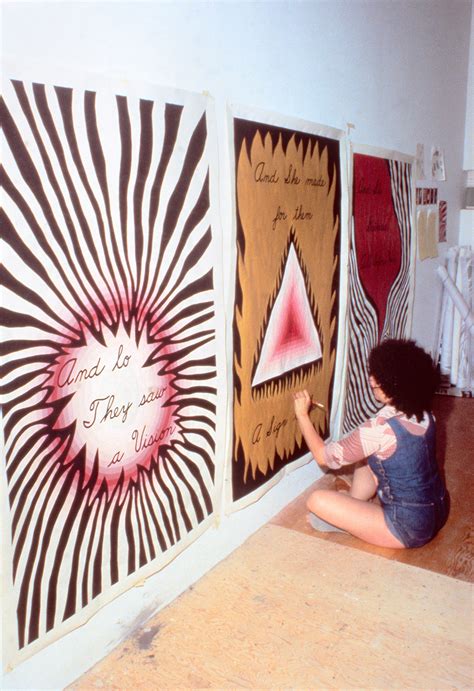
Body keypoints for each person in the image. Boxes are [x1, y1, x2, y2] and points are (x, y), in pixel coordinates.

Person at [293, 339, 448, 549]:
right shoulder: (426, 415)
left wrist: (302, 415)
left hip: (408, 528)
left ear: (392, 387)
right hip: (438, 510)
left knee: (316, 500)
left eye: (378, 377)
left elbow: (323, 457)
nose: (371, 379)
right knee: (369, 456)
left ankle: (354, 523)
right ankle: (356, 503)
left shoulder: (379, 429)